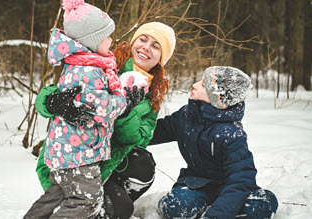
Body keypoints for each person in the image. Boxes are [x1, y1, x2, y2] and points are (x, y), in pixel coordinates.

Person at [33, 22, 176, 218]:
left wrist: (125, 111)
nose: (146, 47)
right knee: (85, 205)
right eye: (143, 40)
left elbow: (139, 139)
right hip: (69, 158)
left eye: (155, 46)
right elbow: (48, 95)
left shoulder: (152, 96)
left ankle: (97, 203)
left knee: (131, 189)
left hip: (104, 163)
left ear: (161, 58)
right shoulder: (105, 62)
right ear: (133, 42)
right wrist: (52, 101)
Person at [24, 0, 126, 218]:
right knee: (86, 200)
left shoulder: (77, 64)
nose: (111, 40)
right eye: (107, 36)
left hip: (68, 151)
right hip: (79, 152)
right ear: (92, 41)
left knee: (58, 194)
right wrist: (122, 99)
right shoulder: (89, 72)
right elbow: (103, 108)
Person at [151, 66, 278, 219]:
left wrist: (216, 215)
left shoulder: (231, 133)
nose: (195, 85)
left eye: (203, 85)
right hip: (197, 185)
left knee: (264, 202)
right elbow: (155, 132)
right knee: (173, 205)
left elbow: (241, 178)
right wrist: (122, 133)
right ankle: (211, 209)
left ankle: (217, 210)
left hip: (231, 189)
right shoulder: (186, 115)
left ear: (217, 98)